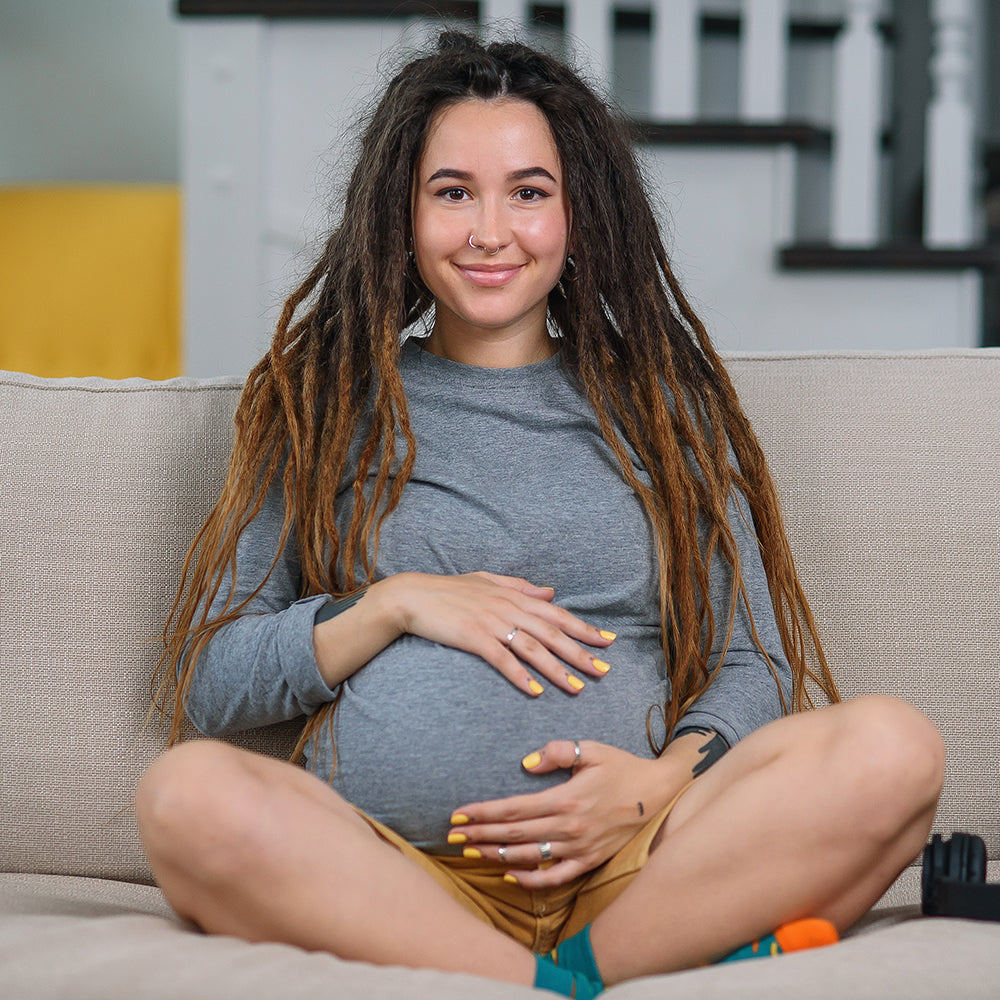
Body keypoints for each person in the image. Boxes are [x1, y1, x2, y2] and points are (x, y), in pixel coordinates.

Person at [136, 31, 944, 998]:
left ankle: (576, 964)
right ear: (400, 211)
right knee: (183, 798)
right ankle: (555, 984)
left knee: (897, 749)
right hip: (392, 873)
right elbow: (210, 683)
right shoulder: (321, 404)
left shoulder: (662, 407)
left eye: (527, 191)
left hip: (646, 859)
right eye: (451, 192)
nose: (489, 231)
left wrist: (657, 783)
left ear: (579, 214)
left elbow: (756, 662)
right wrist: (394, 604)